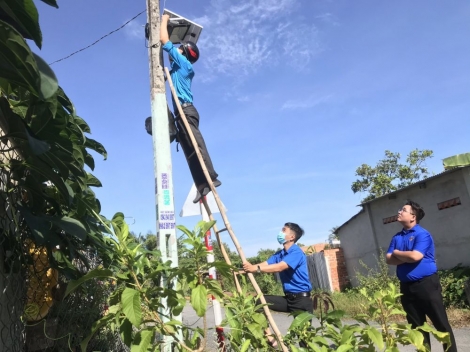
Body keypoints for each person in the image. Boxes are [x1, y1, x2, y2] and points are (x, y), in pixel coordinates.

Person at [160, 14, 221, 203]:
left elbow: (164, 40)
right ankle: (202, 186)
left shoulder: (184, 65)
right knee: (189, 150)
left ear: (185, 53)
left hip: (186, 110)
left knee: (196, 143)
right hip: (181, 113)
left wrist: (165, 20)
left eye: (179, 49)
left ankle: (211, 176)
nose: (175, 51)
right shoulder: (178, 70)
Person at [386, 200, 457, 352]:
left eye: (403, 210)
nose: (399, 212)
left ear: (413, 217)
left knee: (441, 324)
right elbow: (388, 259)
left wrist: (398, 253)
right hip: (406, 288)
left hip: (427, 285)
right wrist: (405, 256)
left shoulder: (422, 234)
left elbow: (415, 256)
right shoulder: (396, 237)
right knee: (417, 328)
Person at [243, 222, 313, 347]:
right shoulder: (280, 254)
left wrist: (255, 269)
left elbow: (280, 267)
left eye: (283, 230)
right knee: (258, 301)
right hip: (288, 298)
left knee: (304, 341)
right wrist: (248, 268)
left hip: (302, 300)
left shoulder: (296, 252)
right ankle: (271, 339)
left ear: (292, 237)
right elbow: (266, 264)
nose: (280, 233)